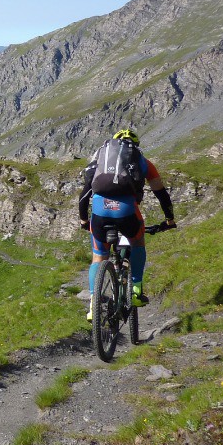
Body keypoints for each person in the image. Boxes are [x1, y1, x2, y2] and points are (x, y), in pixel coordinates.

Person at [78, 128, 176, 320]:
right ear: (134, 147)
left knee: (98, 258)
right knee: (138, 244)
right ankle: (136, 290)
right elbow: (161, 194)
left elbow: (84, 193)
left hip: (100, 213)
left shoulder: (99, 161)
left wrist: (83, 219)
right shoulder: (143, 162)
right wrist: (169, 219)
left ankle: (93, 304)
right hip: (127, 213)